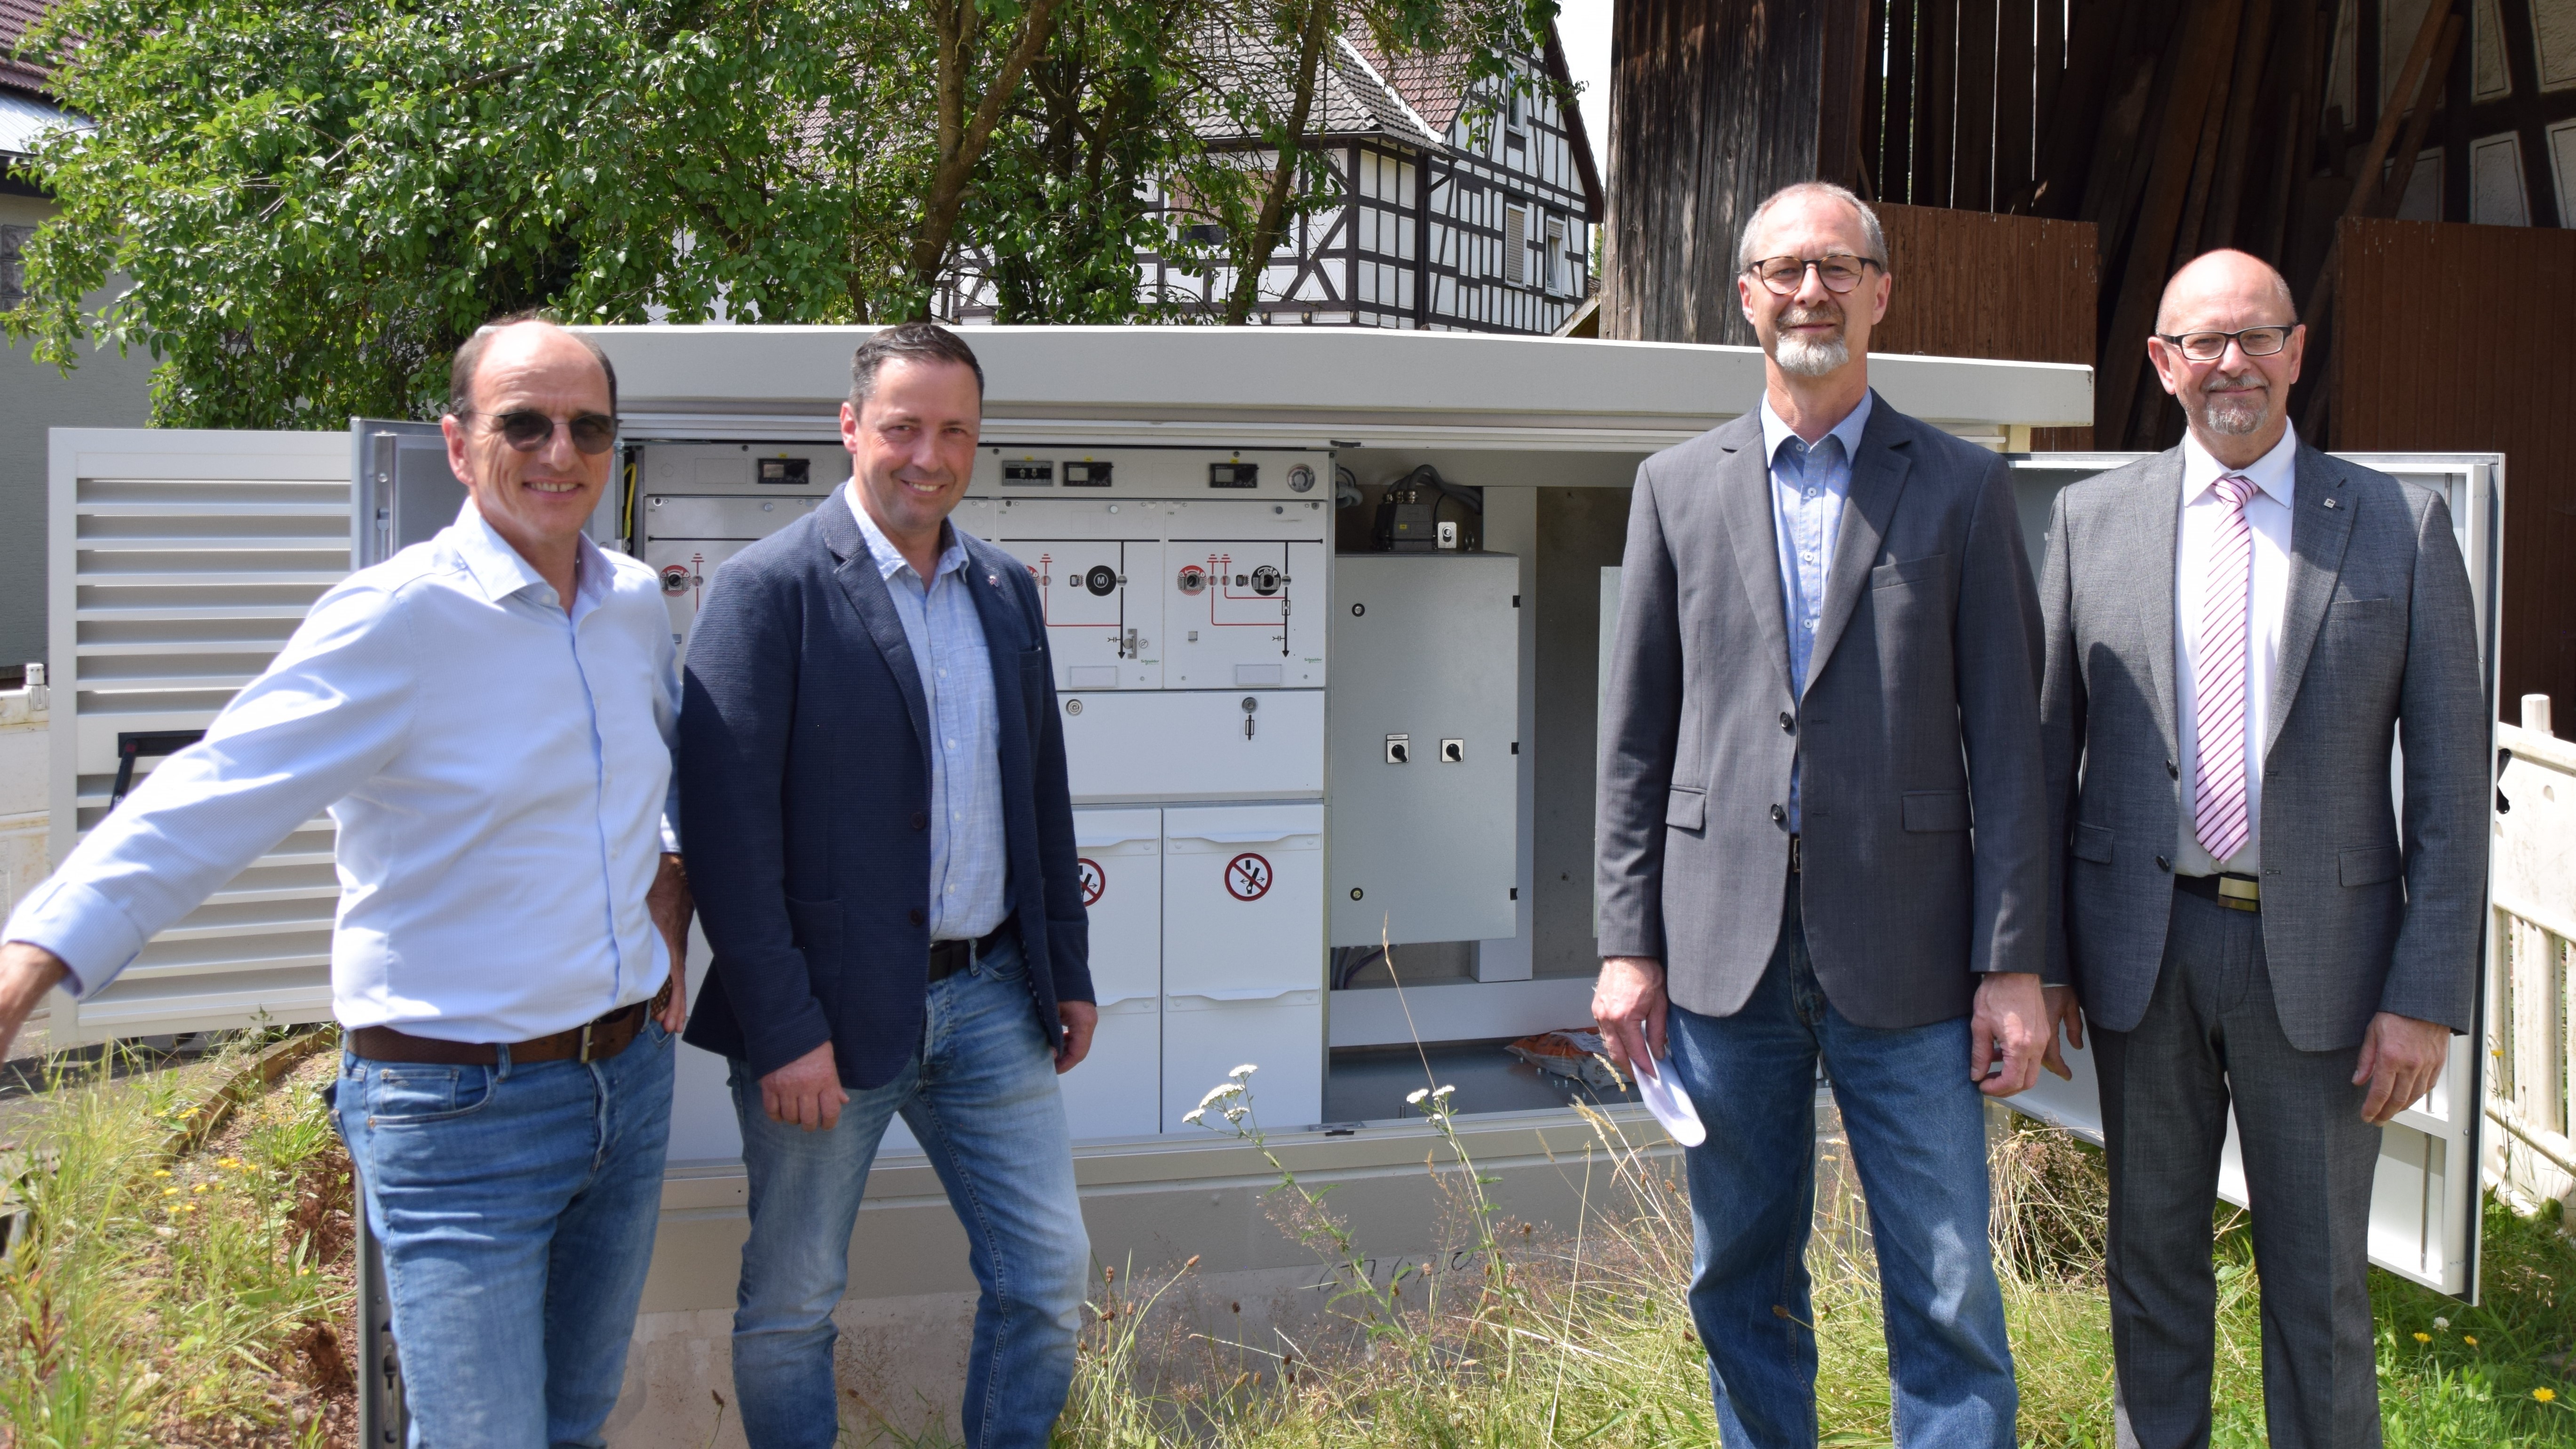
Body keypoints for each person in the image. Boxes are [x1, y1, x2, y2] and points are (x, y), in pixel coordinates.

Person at [0, 314, 692, 1447]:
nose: (558, 450)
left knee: (574, 1422)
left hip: (626, 1084)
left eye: (587, 425)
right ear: (460, 443)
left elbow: (656, 762)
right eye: (523, 421)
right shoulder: (396, 618)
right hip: (459, 1109)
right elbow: (217, 789)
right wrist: (31, 963)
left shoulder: (624, 602)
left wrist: (669, 866)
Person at [1591, 180, 2059, 1449]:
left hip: (1910, 953)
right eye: (1785, 269)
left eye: (1839, 268)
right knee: (1736, 1274)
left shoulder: (1960, 490)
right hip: (1718, 957)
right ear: (1744, 296)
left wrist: (2014, 963)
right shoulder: (1674, 488)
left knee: (1951, 1290)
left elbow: (2011, 744)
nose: (1811, 291)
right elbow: (1634, 740)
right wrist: (1626, 944)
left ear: (1881, 292)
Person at [2036, 249, 2486, 1448]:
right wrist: (2033, 957)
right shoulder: (2091, 523)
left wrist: (2425, 995)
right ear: (2160, 364)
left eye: (2254, 338)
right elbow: (2041, 759)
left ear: (2295, 351)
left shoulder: (2397, 525)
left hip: (2329, 971)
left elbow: (2447, 783)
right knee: (2149, 1273)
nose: (2228, 363)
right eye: (2201, 342)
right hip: (2142, 953)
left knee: (2320, 1287)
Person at [678, 322, 1096, 1449]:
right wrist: (782, 1028)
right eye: (903, 426)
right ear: (850, 427)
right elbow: (725, 840)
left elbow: (1039, 793)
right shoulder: (767, 592)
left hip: (992, 998)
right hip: (824, 1017)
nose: (929, 454)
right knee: (794, 1301)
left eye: (954, 430)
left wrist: (1068, 966)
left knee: (1049, 1275)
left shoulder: (1003, 590)